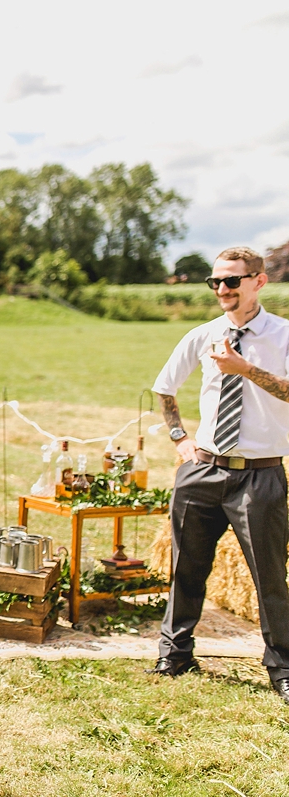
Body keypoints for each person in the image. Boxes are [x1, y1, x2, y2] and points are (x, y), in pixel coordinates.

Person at [150, 245, 289, 704]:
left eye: (231, 281)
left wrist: (244, 368)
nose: (222, 290)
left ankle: (282, 668)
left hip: (260, 476)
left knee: (269, 577)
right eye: (215, 282)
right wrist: (179, 439)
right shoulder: (203, 334)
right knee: (186, 567)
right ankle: (175, 652)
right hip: (202, 471)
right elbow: (164, 388)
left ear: (258, 281)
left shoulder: (283, 336)